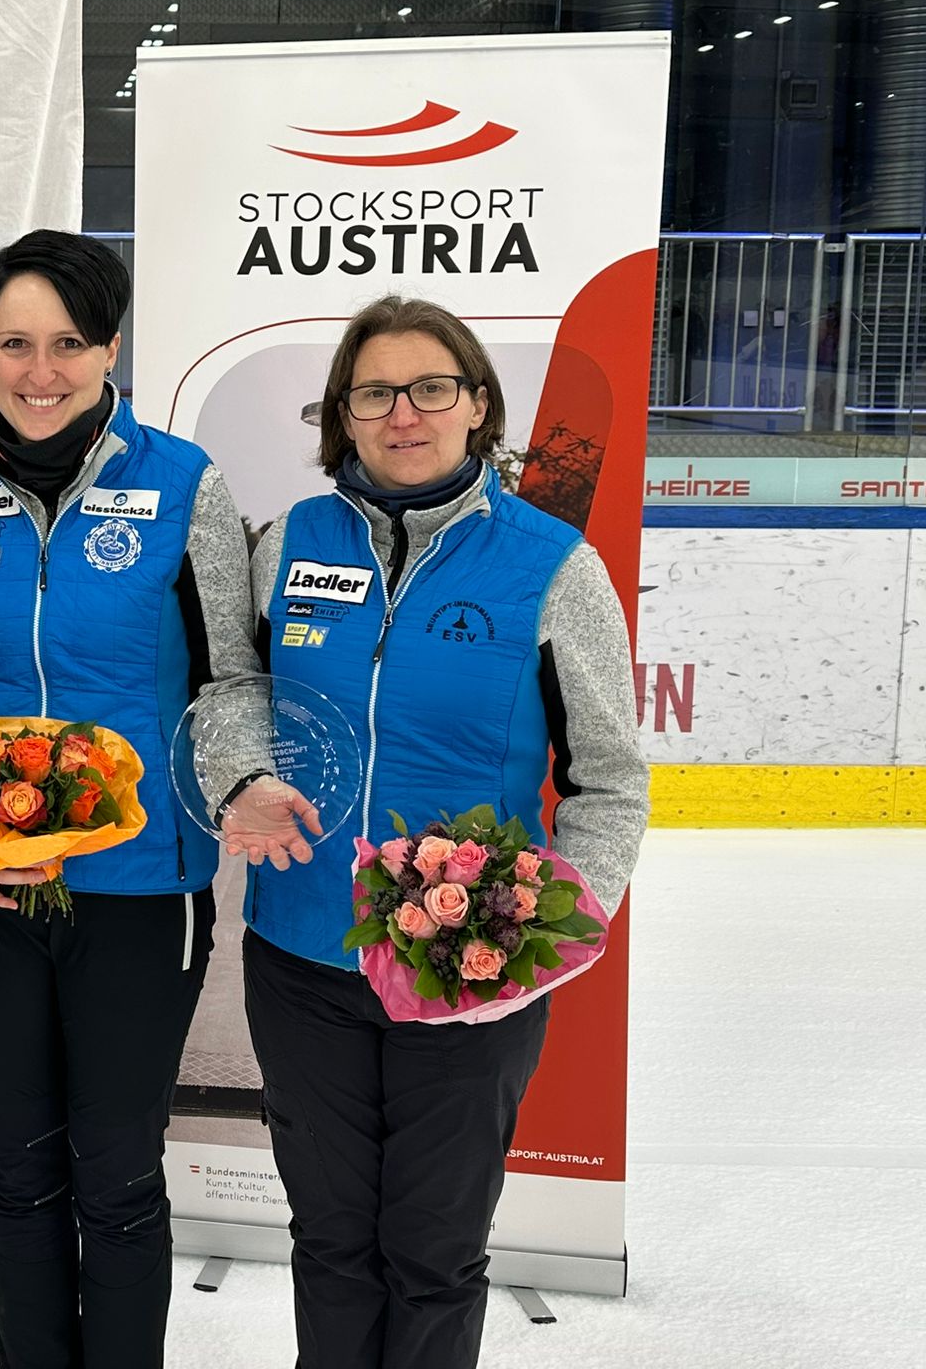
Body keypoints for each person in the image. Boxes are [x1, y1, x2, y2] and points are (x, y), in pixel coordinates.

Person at [225, 295, 648, 1369]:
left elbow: (608, 781)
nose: (402, 413)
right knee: (326, 1242)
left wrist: (541, 937)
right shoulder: (288, 542)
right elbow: (233, 689)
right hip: (301, 957)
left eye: (430, 388)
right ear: (342, 414)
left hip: (466, 973)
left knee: (432, 1252)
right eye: (373, 391)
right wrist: (239, 775)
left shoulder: (552, 566)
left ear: (476, 406)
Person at [0, 230, 260, 1368]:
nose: (39, 370)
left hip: (134, 890)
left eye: (67, 342)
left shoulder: (181, 483)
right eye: (14, 343)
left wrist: (242, 783)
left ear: (110, 346)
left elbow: (227, 679)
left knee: (113, 1176)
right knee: (15, 1172)